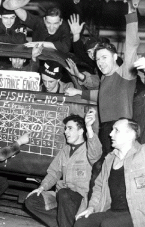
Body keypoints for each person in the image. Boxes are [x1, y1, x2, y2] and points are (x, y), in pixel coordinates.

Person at [65, 2, 139, 157]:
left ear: (115, 57)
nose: (100, 62)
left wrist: (132, 11)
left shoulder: (124, 72)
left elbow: (132, 45)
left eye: (104, 57)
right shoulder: (104, 77)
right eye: (98, 59)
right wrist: (79, 92)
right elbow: (101, 96)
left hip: (121, 129)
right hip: (106, 130)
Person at [25, 109, 102, 227]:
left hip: (80, 198)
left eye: (70, 128)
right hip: (62, 196)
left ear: (81, 131)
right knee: (32, 200)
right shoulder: (65, 150)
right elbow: (54, 172)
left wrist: (89, 128)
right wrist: (42, 187)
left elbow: (96, 154)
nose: (65, 132)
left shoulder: (89, 148)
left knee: (64, 194)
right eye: (65, 128)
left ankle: (67, 222)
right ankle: (67, 223)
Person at [75, 118, 144, 227]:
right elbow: (98, 186)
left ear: (131, 135)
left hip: (137, 214)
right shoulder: (109, 159)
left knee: (108, 224)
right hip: (114, 211)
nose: (111, 134)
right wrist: (91, 208)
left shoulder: (142, 154)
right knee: (81, 223)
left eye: (116, 130)